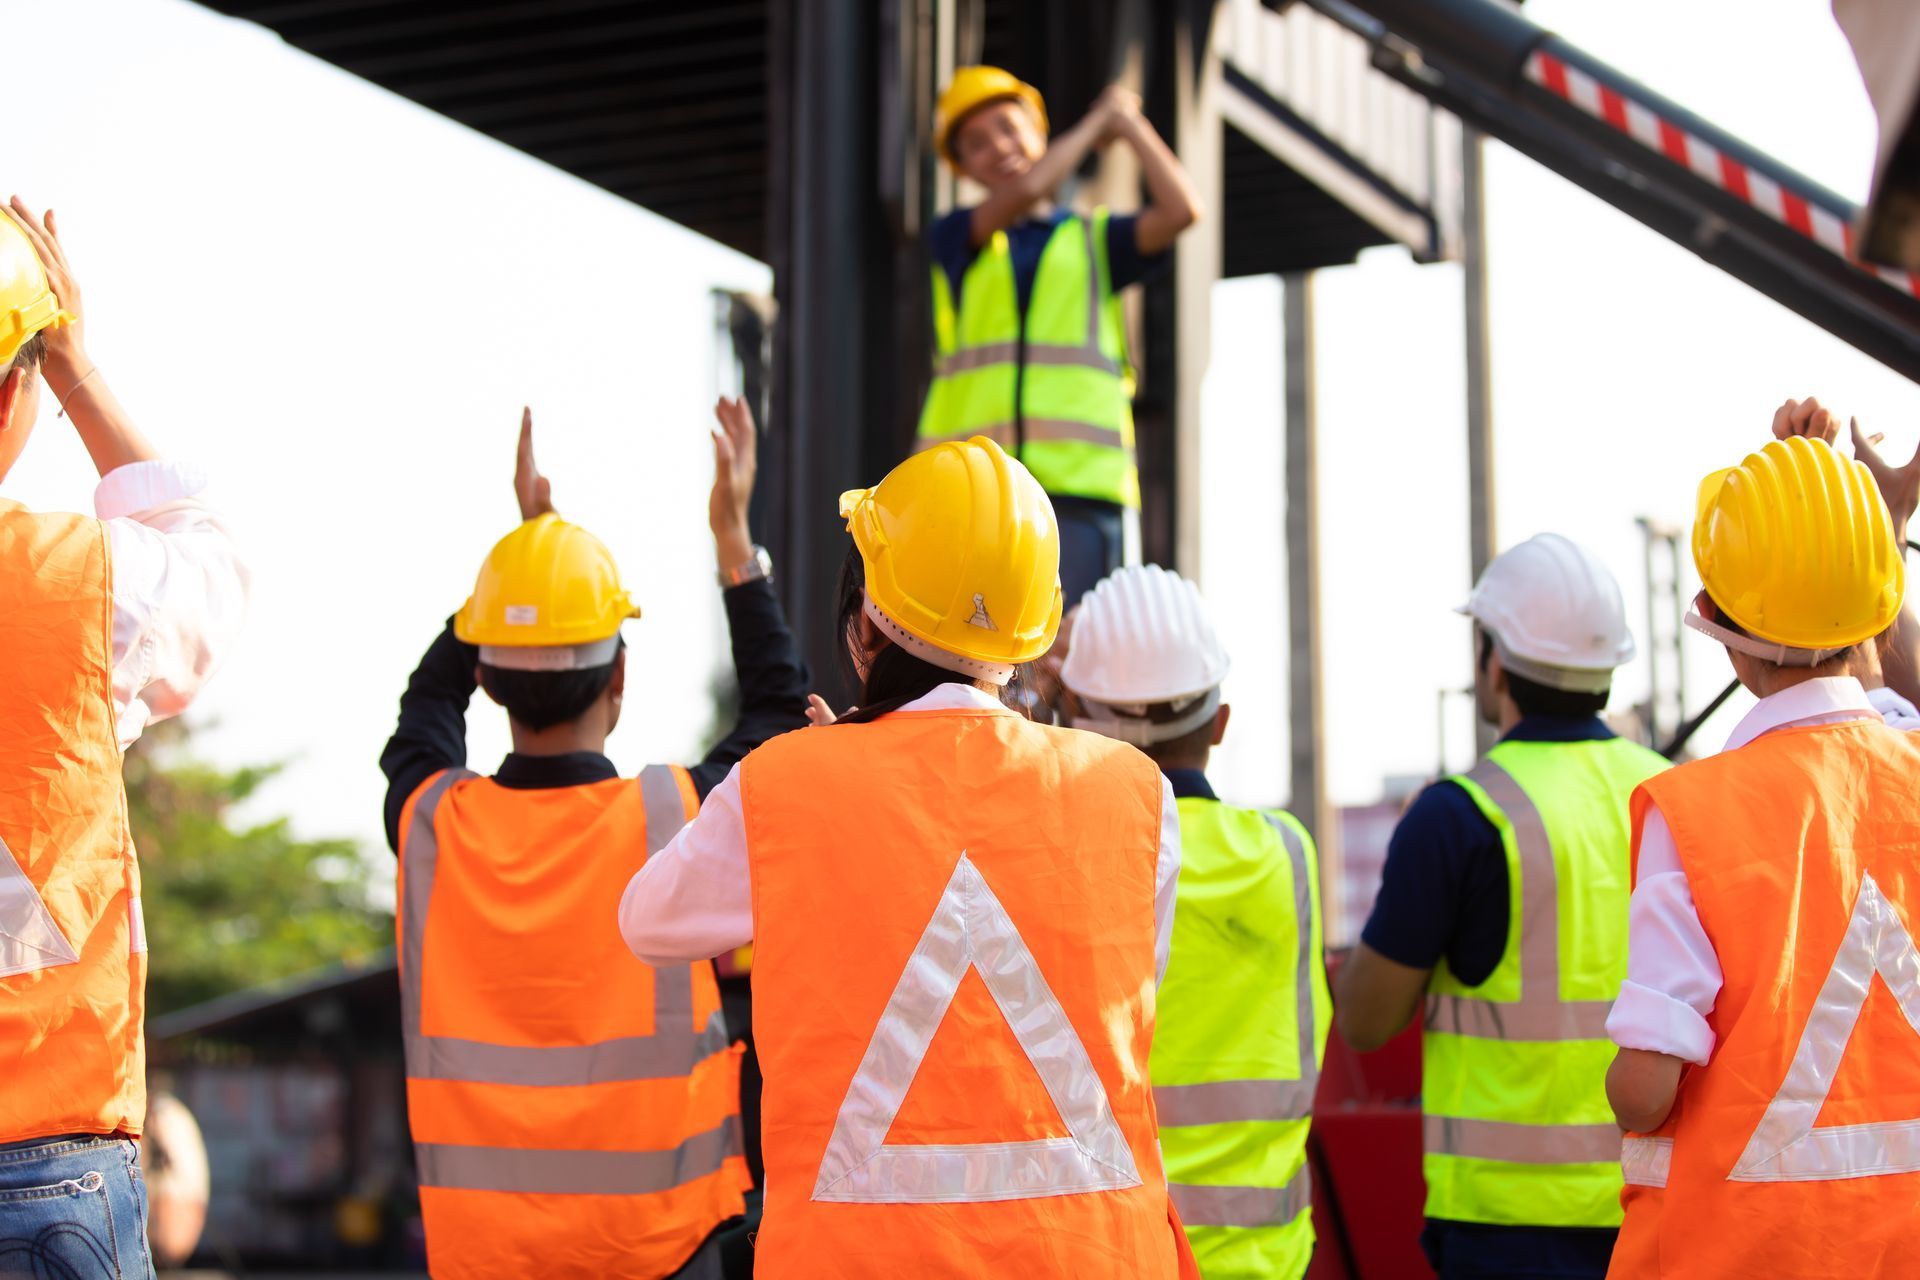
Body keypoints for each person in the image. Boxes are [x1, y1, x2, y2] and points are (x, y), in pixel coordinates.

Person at [618, 435, 1200, 1278]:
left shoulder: (782, 788)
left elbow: (647, 920)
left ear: (864, 616)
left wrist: (818, 794)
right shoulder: (1138, 795)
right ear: (1032, 633)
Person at [378, 399, 809, 1279]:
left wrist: (520, 572)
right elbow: (779, 710)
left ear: (488, 683)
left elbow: (424, 710)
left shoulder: (433, 828)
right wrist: (734, 543)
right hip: (665, 1250)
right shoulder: (674, 824)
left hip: (485, 1260)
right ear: (620, 676)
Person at [1605, 399, 1920, 1278]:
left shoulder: (1695, 814)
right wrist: (1851, 526)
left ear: (1732, 647)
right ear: (1884, 623)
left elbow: (1648, 1090)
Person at [0, 200, 248, 1278]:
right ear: (15, 388)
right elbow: (210, 564)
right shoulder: (77, 583)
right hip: (49, 1159)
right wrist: (79, 372)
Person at [1335, 533, 1667, 1279]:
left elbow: (1365, 1019)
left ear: (1494, 660)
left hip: (1506, 1231)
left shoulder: (1458, 816)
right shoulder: (1673, 795)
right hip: (1655, 1209)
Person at [1057, 564, 1330, 1279]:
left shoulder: (1070, 858)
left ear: (1076, 726)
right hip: (1268, 1262)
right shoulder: (1286, 855)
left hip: (1121, 1256)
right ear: (1221, 723)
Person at [919, 67, 1203, 607]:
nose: (998, 148)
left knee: (1073, 655)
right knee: (989, 651)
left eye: (1007, 127)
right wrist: (1101, 122)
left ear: (1039, 131)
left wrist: (1132, 125)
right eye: (976, 144)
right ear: (963, 168)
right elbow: (1030, 187)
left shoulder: (1098, 240)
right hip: (983, 494)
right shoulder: (958, 237)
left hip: (1081, 493)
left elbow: (1182, 210)